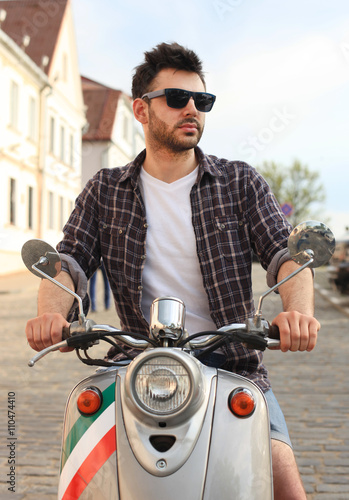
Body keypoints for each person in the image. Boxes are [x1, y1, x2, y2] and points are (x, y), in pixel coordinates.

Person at [25, 42, 319, 499]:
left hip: (233, 364)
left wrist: (298, 312)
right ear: (141, 110)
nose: (192, 110)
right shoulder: (105, 189)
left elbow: (287, 254)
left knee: (286, 488)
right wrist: (52, 317)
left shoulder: (240, 182)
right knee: (83, 482)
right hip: (135, 364)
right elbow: (69, 261)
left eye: (202, 101)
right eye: (177, 99)